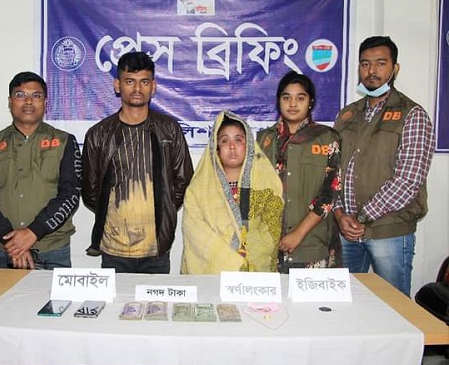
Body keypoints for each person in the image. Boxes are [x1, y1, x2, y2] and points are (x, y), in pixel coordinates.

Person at [333, 36, 435, 296]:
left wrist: (361, 217)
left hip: (388, 231)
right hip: (346, 231)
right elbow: (333, 170)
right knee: (345, 303)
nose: (372, 71)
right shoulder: (347, 115)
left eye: (380, 63)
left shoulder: (412, 114)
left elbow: (408, 181)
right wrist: (340, 214)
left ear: (395, 68)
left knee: (393, 305)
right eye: (365, 64)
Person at [82, 51, 194, 274]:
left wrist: (163, 207)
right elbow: (90, 191)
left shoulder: (169, 129)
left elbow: (183, 181)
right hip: (114, 247)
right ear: (117, 85)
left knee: (155, 299)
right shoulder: (99, 134)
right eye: (129, 81)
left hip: (156, 248)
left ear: (153, 86)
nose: (137, 88)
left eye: (144, 82)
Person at [0, 71, 81, 270]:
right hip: (5, 251)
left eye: (36, 95)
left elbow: (70, 194)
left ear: (45, 102)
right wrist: (13, 242)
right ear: (10, 102)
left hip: (53, 251)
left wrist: (33, 232)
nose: (29, 101)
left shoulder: (65, 142)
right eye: (20, 95)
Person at [257, 71, 342, 273]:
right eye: (286, 97)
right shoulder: (264, 140)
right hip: (269, 244)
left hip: (311, 244)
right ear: (278, 101)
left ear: (310, 102)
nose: (293, 104)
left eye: (300, 98)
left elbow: (329, 194)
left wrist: (298, 234)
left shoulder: (327, 138)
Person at [181, 111, 284, 274]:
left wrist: (248, 259)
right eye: (224, 141)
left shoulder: (267, 187)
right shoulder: (197, 191)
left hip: (255, 276)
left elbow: (271, 232)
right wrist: (232, 262)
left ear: (249, 146)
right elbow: (196, 235)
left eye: (238, 140)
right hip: (212, 275)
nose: (232, 146)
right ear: (216, 148)